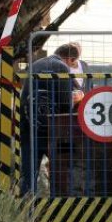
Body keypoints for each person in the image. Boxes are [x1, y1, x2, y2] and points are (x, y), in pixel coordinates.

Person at [20, 43, 81, 195]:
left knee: (29, 175)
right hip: (55, 132)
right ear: (71, 59)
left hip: (29, 128)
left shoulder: (35, 64)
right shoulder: (61, 67)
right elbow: (66, 103)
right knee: (64, 171)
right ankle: (59, 209)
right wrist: (76, 98)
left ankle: (26, 213)